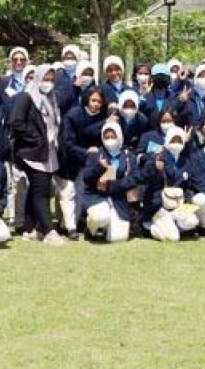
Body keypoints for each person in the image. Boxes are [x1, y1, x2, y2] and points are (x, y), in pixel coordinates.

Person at [7, 64, 65, 245]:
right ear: (37, 78)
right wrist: (35, 138)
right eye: (45, 79)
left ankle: (30, 228)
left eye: (51, 80)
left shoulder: (51, 98)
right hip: (33, 152)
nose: (48, 83)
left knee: (36, 189)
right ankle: (48, 231)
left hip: (48, 153)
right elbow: (16, 122)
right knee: (42, 191)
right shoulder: (26, 96)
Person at [60, 86, 110, 239]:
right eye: (93, 100)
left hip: (91, 163)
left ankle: (74, 225)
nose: (96, 104)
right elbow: (67, 143)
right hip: (69, 160)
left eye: (99, 102)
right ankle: (70, 228)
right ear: (86, 99)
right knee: (69, 193)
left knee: (81, 192)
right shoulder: (73, 115)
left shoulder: (103, 116)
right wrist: (85, 152)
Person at [81, 120, 138, 242]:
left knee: (118, 238)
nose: (110, 139)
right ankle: (91, 229)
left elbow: (135, 179)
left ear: (119, 136)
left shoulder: (129, 156)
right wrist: (99, 168)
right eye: (106, 137)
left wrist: (113, 185)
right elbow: (86, 177)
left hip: (119, 200)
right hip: (97, 197)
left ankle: (109, 227)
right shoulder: (96, 153)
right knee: (100, 217)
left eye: (113, 136)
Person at [142, 126, 201, 242]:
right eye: (173, 140)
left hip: (178, 203)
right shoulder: (158, 156)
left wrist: (188, 200)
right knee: (174, 238)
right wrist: (154, 167)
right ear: (167, 140)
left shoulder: (185, 161)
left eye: (179, 141)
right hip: (160, 205)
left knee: (193, 221)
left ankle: (171, 224)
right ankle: (152, 228)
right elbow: (145, 178)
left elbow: (188, 185)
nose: (176, 144)